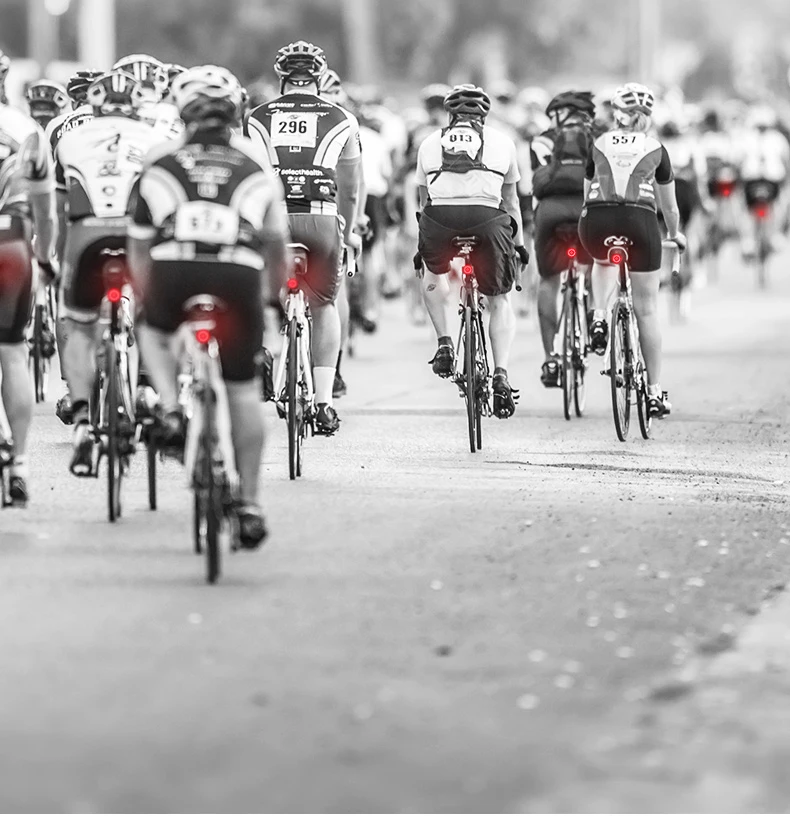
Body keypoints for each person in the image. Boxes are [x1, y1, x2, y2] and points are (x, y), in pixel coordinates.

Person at [129, 65, 288, 549]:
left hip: (175, 270)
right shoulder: (256, 162)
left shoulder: (160, 159)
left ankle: (171, 408)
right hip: (238, 274)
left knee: (152, 330)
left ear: (182, 112)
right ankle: (250, 504)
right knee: (242, 390)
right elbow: (276, 244)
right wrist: (272, 301)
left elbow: (139, 243)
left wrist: (145, 298)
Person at [244, 40, 362, 436]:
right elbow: (350, 187)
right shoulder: (342, 118)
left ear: (281, 78)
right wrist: (349, 230)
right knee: (324, 305)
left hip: (272, 218)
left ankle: (263, 356)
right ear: (318, 77)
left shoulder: (257, 117)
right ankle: (325, 402)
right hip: (321, 218)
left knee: (261, 296)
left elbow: (248, 174)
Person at [54, 70, 164, 473]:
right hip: (135, 237)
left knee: (79, 326)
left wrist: (57, 260)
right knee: (155, 315)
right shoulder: (155, 139)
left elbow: (60, 210)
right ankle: (147, 388)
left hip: (87, 237)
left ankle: (83, 421)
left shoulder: (69, 138)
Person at [415, 84, 527, 418]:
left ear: (450, 114)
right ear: (484, 115)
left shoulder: (429, 142)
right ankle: (501, 374)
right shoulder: (503, 141)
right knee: (500, 299)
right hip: (487, 220)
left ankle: (445, 343)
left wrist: (424, 246)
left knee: (433, 272)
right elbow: (512, 202)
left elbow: (424, 200)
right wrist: (519, 246)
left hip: (440, 220)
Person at [579, 83, 686, 419]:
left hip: (597, 221)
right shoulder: (656, 148)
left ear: (616, 115)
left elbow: (587, 194)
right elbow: (670, 208)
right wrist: (675, 235)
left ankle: (599, 315)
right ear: (648, 117)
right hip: (640, 223)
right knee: (647, 309)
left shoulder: (598, 143)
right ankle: (653, 392)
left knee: (602, 260)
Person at [0, 96, 58, 504]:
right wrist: (44, 259)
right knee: (12, 353)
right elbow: (46, 214)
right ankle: (19, 463)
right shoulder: (27, 129)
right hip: (12, 243)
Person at [530, 90, 596, 387]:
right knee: (598, 266)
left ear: (562, 114)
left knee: (549, 280)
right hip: (587, 211)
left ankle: (551, 358)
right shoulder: (599, 138)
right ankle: (596, 319)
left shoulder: (542, 141)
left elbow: (536, 182)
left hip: (550, 213)